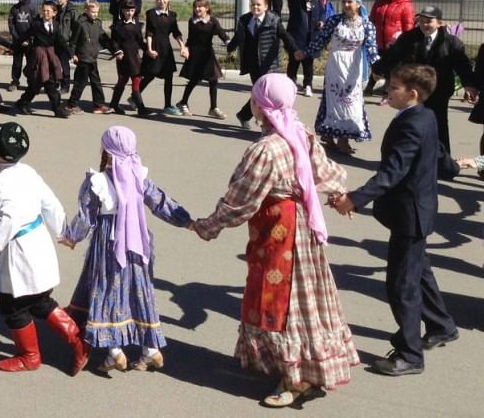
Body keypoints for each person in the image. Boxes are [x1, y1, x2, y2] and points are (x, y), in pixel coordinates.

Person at [194, 73, 358, 408]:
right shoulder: (300, 132)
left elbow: (240, 199)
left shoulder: (265, 149)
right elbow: (325, 171)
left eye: (254, 99)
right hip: (303, 227)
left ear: (260, 106)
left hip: (280, 230)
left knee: (281, 302)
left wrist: (208, 226)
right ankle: (308, 368)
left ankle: (294, 378)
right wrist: (341, 195)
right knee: (308, 296)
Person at [330, 64, 461, 377]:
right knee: (420, 271)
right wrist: (453, 168)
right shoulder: (425, 115)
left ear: (412, 94)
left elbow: (393, 172)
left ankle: (410, 354)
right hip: (417, 211)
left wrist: (354, 198)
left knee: (402, 285)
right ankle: (442, 326)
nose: (387, 91)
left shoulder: (412, 124)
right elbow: (439, 154)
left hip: (410, 215)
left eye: (393, 88)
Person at [62, 125, 193, 372]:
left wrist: (72, 237)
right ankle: (151, 350)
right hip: (139, 244)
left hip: (109, 245)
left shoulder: (97, 181)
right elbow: (160, 202)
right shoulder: (139, 175)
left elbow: (86, 216)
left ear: (107, 151)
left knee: (107, 291)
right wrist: (187, 222)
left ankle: (113, 352)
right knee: (138, 290)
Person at [0, 122, 89, 375]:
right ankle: (78, 341)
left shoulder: (0, 183)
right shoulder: (27, 171)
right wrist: (62, 232)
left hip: (20, 250)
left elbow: (10, 218)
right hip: (38, 241)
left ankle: (30, 356)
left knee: (12, 305)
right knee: (39, 300)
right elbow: (50, 202)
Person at [370, 5, 476, 153]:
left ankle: (441, 161)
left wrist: (469, 85)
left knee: (438, 124)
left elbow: (462, 65)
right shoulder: (408, 38)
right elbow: (393, 55)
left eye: (429, 21)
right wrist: (378, 69)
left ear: (439, 22)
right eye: (422, 21)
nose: (425, 25)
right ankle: (407, 159)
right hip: (413, 90)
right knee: (410, 122)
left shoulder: (451, 42)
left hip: (440, 89)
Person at [297, 0, 379, 155]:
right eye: (344, 2)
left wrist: (378, 68)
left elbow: (371, 48)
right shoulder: (334, 21)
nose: (346, 5)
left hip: (354, 66)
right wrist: (305, 52)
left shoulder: (367, 25)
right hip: (336, 64)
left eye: (350, 2)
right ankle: (331, 137)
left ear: (358, 4)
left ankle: (343, 138)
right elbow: (321, 39)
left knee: (351, 101)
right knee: (333, 98)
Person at [226, 0, 298, 131]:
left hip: (269, 64)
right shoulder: (245, 20)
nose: (255, 7)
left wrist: (294, 50)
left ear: (266, 6)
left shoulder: (273, 20)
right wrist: (231, 47)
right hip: (253, 64)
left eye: (259, 4)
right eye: (253, 4)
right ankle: (256, 120)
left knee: (266, 94)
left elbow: (285, 36)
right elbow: (238, 37)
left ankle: (261, 121)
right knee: (261, 94)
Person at [15, 1, 70, 118]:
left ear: (54, 13)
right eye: (44, 10)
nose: (45, 13)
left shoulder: (55, 25)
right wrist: (19, 44)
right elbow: (25, 35)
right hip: (39, 58)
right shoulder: (36, 24)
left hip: (50, 57)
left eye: (48, 11)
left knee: (49, 83)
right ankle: (22, 103)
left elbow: (61, 41)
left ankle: (57, 109)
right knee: (36, 85)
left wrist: (71, 54)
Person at [176, 0, 230, 118]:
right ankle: (183, 102)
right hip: (195, 54)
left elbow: (221, 32)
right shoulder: (192, 21)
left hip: (208, 55)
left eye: (200, 6)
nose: (197, 9)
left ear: (207, 8)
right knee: (194, 80)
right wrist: (185, 49)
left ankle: (213, 108)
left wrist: (228, 42)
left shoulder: (212, 21)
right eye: (195, 7)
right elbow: (190, 38)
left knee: (213, 80)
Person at [140, 0, 185, 116]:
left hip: (166, 48)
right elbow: (149, 32)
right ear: (156, 0)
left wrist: (182, 46)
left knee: (169, 77)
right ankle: (135, 96)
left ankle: (167, 105)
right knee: (151, 74)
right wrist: (149, 49)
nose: (161, 1)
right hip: (154, 46)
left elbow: (176, 32)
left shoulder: (172, 15)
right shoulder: (151, 14)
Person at [367, 0, 415, 95]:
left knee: (392, 66)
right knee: (377, 64)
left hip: (395, 42)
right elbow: (372, 18)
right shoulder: (379, 2)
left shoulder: (406, 5)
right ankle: (369, 87)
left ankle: (388, 90)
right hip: (378, 40)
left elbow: (408, 24)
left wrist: (405, 40)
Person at [64, 0, 111, 115]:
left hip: (93, 58)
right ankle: (71, 104)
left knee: (96, 82)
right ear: (86, 10)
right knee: (81, 82)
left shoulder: (98, 23)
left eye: (96, 12)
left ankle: (98, 105)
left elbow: (103, 38)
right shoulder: (80, 23)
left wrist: (115, 49)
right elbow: (73, 41)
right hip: (83, 58)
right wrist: (73, 54)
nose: (95, 14)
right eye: (92, 12)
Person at [284, 0, 322, 97]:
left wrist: (321, 21)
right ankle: (290, 84)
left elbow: (322, 11)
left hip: (310, 35)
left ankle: (307, 85)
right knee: (293, 61)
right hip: (296, 34)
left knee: (308, 63)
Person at [108, 0, 145, 115]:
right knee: (122, 81)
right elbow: (114, 42)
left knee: (136, 80)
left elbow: (140, 41)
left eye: (132, 10)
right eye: (127, 10)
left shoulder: (138, 25)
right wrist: (118, 51)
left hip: (135, 58)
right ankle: (114, 104)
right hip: (123, 58)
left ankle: (141, 108)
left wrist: (148, 50)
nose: (130, 13)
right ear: (123, 11)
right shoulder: (117, 26)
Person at [7, 0, 36, 91]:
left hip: (30, 42)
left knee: (31, 63)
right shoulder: (14, 8)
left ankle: (31, 82)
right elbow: (11, 24)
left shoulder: (32, 8)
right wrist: (17, 38)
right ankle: (15, 81)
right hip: (17, 41)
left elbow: (35, 25)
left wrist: (29, 39)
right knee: (17, 62)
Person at [54, 0, 77, 93]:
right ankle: (56, 82)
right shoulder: (56, 9)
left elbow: (77, 28)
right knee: (55, 63)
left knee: (64, 65)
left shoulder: (72, 11)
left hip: (65, 42)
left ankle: (66, 86)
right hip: (55, 41)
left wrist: (72, 43)